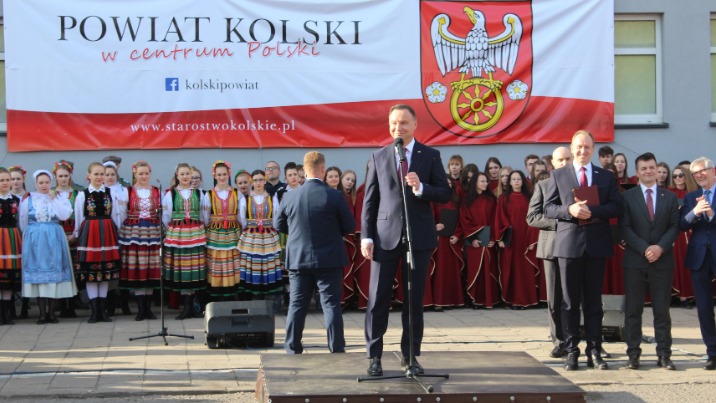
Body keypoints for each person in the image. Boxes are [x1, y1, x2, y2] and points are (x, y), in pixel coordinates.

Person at [360, 104, 450, 376]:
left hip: (418, 237)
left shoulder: (430, 155)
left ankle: (410, 356)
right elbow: (370, 200)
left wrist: (421, 187)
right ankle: (374, 356)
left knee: (413, 300)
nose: (398, 128)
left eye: (403, 123)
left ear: (415, 124)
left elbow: (444, 193)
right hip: (384, 236)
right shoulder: (378, 156)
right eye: (394, 123)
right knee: (378, 299)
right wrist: (366, 235)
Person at [544, 130, 622, 371]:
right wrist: (570, 210)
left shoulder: (605, 176)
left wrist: (592, 212)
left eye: (587, 146)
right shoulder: (558, 174)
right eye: (578, 146)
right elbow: (548, 208)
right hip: (569, 245)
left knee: (593, 303)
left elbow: (616, 206)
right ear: (572, 147)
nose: (582, 151)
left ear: (593, 149)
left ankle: (594, 350)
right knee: (569, 302)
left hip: (596, 245)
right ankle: (571, 350)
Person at [277, 151, 355, 354]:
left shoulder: (290, 196)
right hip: (329, 258)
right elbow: (349, 226)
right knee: (331, 305)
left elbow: (279, 225)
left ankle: (292, 347)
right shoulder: (335, 196)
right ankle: (336, 348)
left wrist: (297, 232)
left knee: (297, 304)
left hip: (299, 258)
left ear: (304, 171)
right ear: (323, 169)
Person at [620, 152, 679, 371]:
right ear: (637, 172)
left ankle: (664, 354)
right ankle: (633, 354)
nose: (648, 171)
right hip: (635, 261)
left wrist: (660, 247)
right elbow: (624, 227)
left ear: (657, 169)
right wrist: (645, 248)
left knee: (662, 311)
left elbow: (674, 226)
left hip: (662, 261)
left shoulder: (669, 197)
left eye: (652, 167)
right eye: (644, 168)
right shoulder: (627, 197)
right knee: (633, 310)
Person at [527, 146, 573, 358]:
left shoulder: (581, 185)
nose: (564, 163)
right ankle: (559, 340)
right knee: (554, 299)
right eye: (560, 160)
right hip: (552, 248)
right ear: (552, 164)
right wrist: (560, 221)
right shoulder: (543, 185)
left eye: (567, 159)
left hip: (576, 246)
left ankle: (576, 338)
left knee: (574, 297)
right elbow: (532, 217)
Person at [20, 170, 77, 324]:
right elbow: (23, 221)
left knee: (53, 274)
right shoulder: (28, 199)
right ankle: (41, 314)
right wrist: (30, 236)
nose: (44, 185)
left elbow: (64, 215)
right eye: (41, 183)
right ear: (36, 183)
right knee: (40, 275)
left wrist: (53, 199)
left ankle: (51, 314)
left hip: (54, 238)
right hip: (35, 241)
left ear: (51, 183)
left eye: (46, 182)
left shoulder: (58, 197)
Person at [678, 157, 716, 370]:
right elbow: (682, 224)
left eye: (703, 171)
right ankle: (712, 352)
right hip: (699, 256)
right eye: (695, 173)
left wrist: (711, 214)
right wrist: (695, 211)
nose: (700, 175)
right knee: (703, 306)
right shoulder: (691, 197)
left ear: (713, 171)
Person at [74, 162, 124, 324]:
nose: (99, 177)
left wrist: (116, 232)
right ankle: (94, 311)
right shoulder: (83, 195)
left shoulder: (110, 193)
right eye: (96, 174)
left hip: (107, 232)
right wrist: (78, 234)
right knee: (91, 273)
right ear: (89, 175)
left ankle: (102, 310)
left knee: (104, 272)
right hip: (90, 234)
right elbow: (79, 216)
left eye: (102, 174)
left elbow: (116, 214)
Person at [162, 163, 207, 320]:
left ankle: (193, 306)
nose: (185, 177)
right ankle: (186, 306)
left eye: (188, 173)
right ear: (177, 176)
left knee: (194, 269)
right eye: (182, 174)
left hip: (195, 234)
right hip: (179, 236)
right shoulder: (171, 194)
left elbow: (204, 215)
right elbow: (166, 216)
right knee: (183, 269)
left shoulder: (200, 193)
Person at [118, 161, 161, 321]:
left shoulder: (156, 191)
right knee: (137, 267)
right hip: (134, 233)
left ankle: (148, 309)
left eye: (146, 173)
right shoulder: (127, 191)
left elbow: (161, 212)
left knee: (150, 267)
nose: (144, 176)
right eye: (140, 173)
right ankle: (141, 309)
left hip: (152, 232)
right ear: (134, 174)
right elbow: (122, 212)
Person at [495, 170, 539, 309]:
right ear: (509, 182)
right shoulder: (503, 198)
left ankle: (528, 300)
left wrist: (532, 239)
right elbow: (499, 218)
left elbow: (534, 218)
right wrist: (500, 238)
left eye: (518, 179)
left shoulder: (529, 198)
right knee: (512, 270)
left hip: (526, 238)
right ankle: (513, 300)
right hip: (511, 239)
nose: (516, 181)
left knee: (525, 270)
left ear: (523, 181)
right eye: (513, 179)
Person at [201, 161, 242, 299]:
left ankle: (232, 293)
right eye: (219, 175)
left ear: (228, 174)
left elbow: (241, 214)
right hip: (216, 233)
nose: (222, 177)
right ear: (214, 175)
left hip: (233, 232)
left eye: (224, 174)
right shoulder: (209, 194)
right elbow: (205, 216)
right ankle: (217, 295)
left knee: (233, 260)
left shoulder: (236, 193)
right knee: (217, 261)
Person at [238, 170, 283, 296]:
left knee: (268, 261)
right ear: (252, 181)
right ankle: (252, 293)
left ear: (265, 181)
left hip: (268, 235)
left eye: (261, 179)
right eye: (256, 180)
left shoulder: (272, 198)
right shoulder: (245, 199)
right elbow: (242, 219)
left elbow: (276, 216)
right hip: (251, 236)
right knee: (252, 261)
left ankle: (267, 293)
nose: (258, 183)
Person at [460, 172, 498, 308]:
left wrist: (493, 238)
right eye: (482, 181)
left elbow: (495, 220)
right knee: (475, 269)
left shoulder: (491, 200)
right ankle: (475, 299)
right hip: (474, 242)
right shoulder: (466, 202)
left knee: (489, 269)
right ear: (475, 183)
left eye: (486, 181)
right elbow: (464, 222)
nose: (485, 184)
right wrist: (472, 239)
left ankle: (490, 300)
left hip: (488, 240)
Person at [52, 161, 81, 318]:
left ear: (70, 176)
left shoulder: (77, 194)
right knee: (60, 268)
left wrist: (75, 234)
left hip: (73, 234)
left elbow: (80, 215)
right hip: (57, 235)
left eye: (65, 176)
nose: (63, 179)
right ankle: (62, 304)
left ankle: (73, 304)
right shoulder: (51, 194)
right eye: (60, 176)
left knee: (74, 270)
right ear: (55, 177)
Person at [670, 165, 698, 307]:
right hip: (678, 235)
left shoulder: (694, 192)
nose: (678, 178)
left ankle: (695, 294)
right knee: (680, 264)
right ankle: (683, 296)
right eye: (675, 176)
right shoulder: (670, 193)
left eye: (680, 175)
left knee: (696, 263)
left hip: (693, 232)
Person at [0, 168, 21, 325]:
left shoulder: (16, 199)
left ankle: (7, 314)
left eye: (7, 179)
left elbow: (20, 220)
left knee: (9, 277)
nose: (5, 183)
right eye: (1, 180)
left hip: (12, 237)